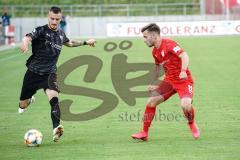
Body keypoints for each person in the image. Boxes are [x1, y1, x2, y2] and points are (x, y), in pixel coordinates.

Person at [18, 6, 96, 142]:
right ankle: (30, 99)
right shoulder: (41, 30)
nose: (54, 22)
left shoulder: (60, 34)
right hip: (33, 73)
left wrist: (85, 42)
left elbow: (69, 43)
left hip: (50, 73)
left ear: (61, 19)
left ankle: (56, 128)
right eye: (52, 19)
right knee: (22, 105)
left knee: (54, 98)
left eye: (57, 19)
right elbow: (28, 37)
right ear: (48, 17)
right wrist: (25, 42)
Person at [131, 23, 200, 141]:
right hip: (169, 81)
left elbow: (184, 55)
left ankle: (191, 123)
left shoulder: (169, 44)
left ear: (153, 35)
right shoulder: (155, 51)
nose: (144, 40)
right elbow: (158, 67)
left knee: (186, 105)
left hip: (183, 80)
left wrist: (183, 70)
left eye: (145, 37)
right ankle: (144, 133)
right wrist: (153, 82)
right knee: (151, 101)